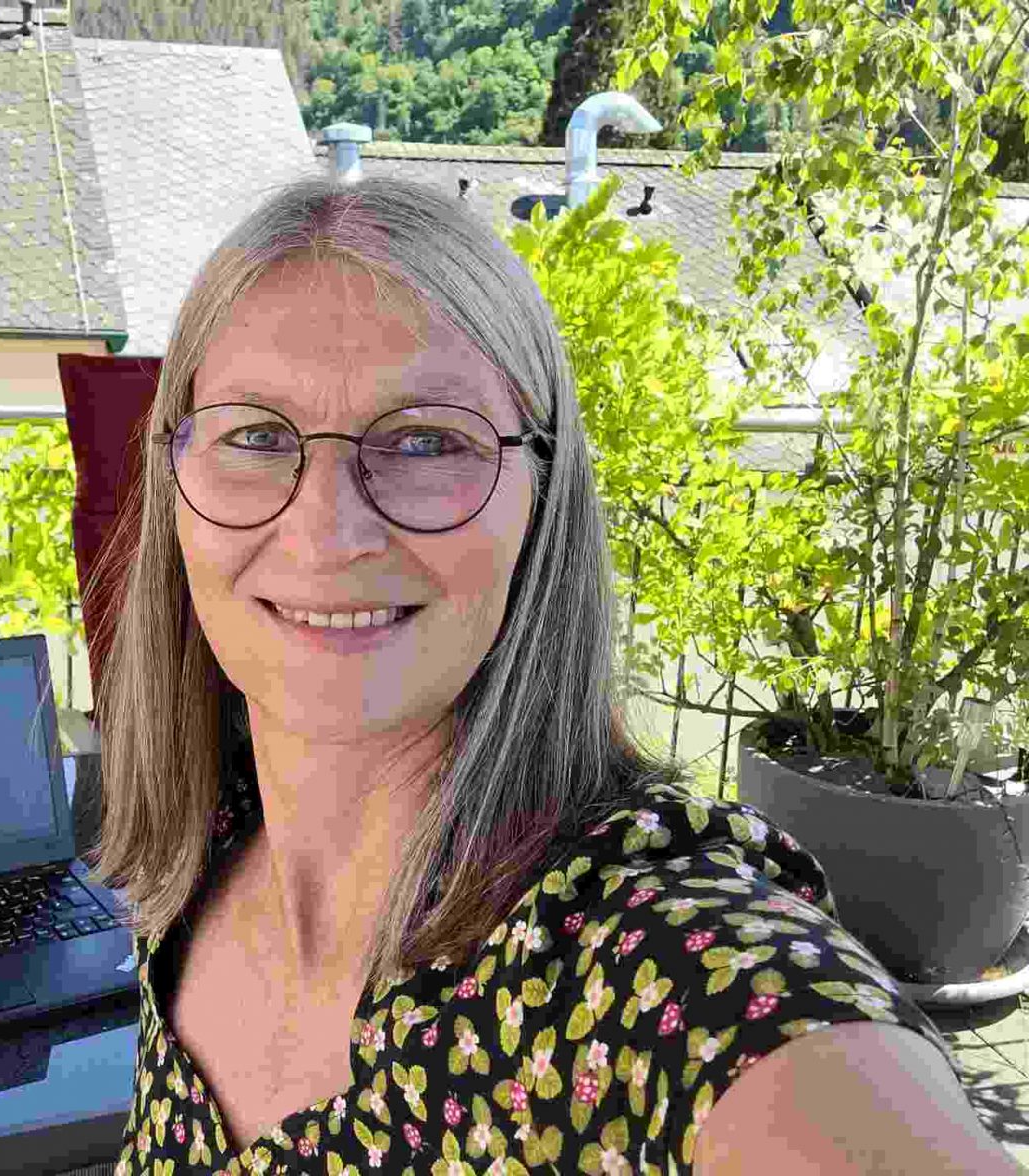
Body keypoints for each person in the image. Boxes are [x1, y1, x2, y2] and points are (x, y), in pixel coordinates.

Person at [82, 176, 1015, 1175]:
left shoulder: (664, 973)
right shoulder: (190, 869)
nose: (326, 531)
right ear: (173, 473)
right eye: (255, 436)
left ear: (541, 498)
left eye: (426, 442)